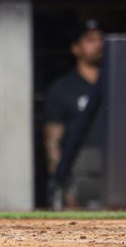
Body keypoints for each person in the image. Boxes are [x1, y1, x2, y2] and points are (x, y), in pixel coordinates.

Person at [44, 20, 104, 209]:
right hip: (80, 167)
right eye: (90, 40)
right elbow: (53, 140)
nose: (98, 45)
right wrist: (60, 180)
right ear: (76, 48)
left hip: (115, 164)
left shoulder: (118, 82)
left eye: (100, 39)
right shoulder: (62, 88)